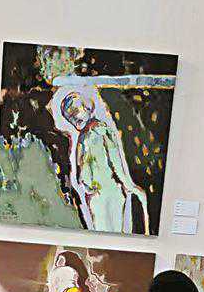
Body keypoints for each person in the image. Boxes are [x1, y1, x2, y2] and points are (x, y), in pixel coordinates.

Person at [58, 90, 150, 234]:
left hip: (111, 190)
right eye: (69, 117)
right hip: (94, 194)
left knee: (115, 231)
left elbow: (115, 159)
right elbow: (79, 167)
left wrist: (127, 184)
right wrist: (84, 185)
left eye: (75, 111)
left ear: (87, 108)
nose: (74, 118)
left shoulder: (101, 129)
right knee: (101, 230)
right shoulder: (82, 138)